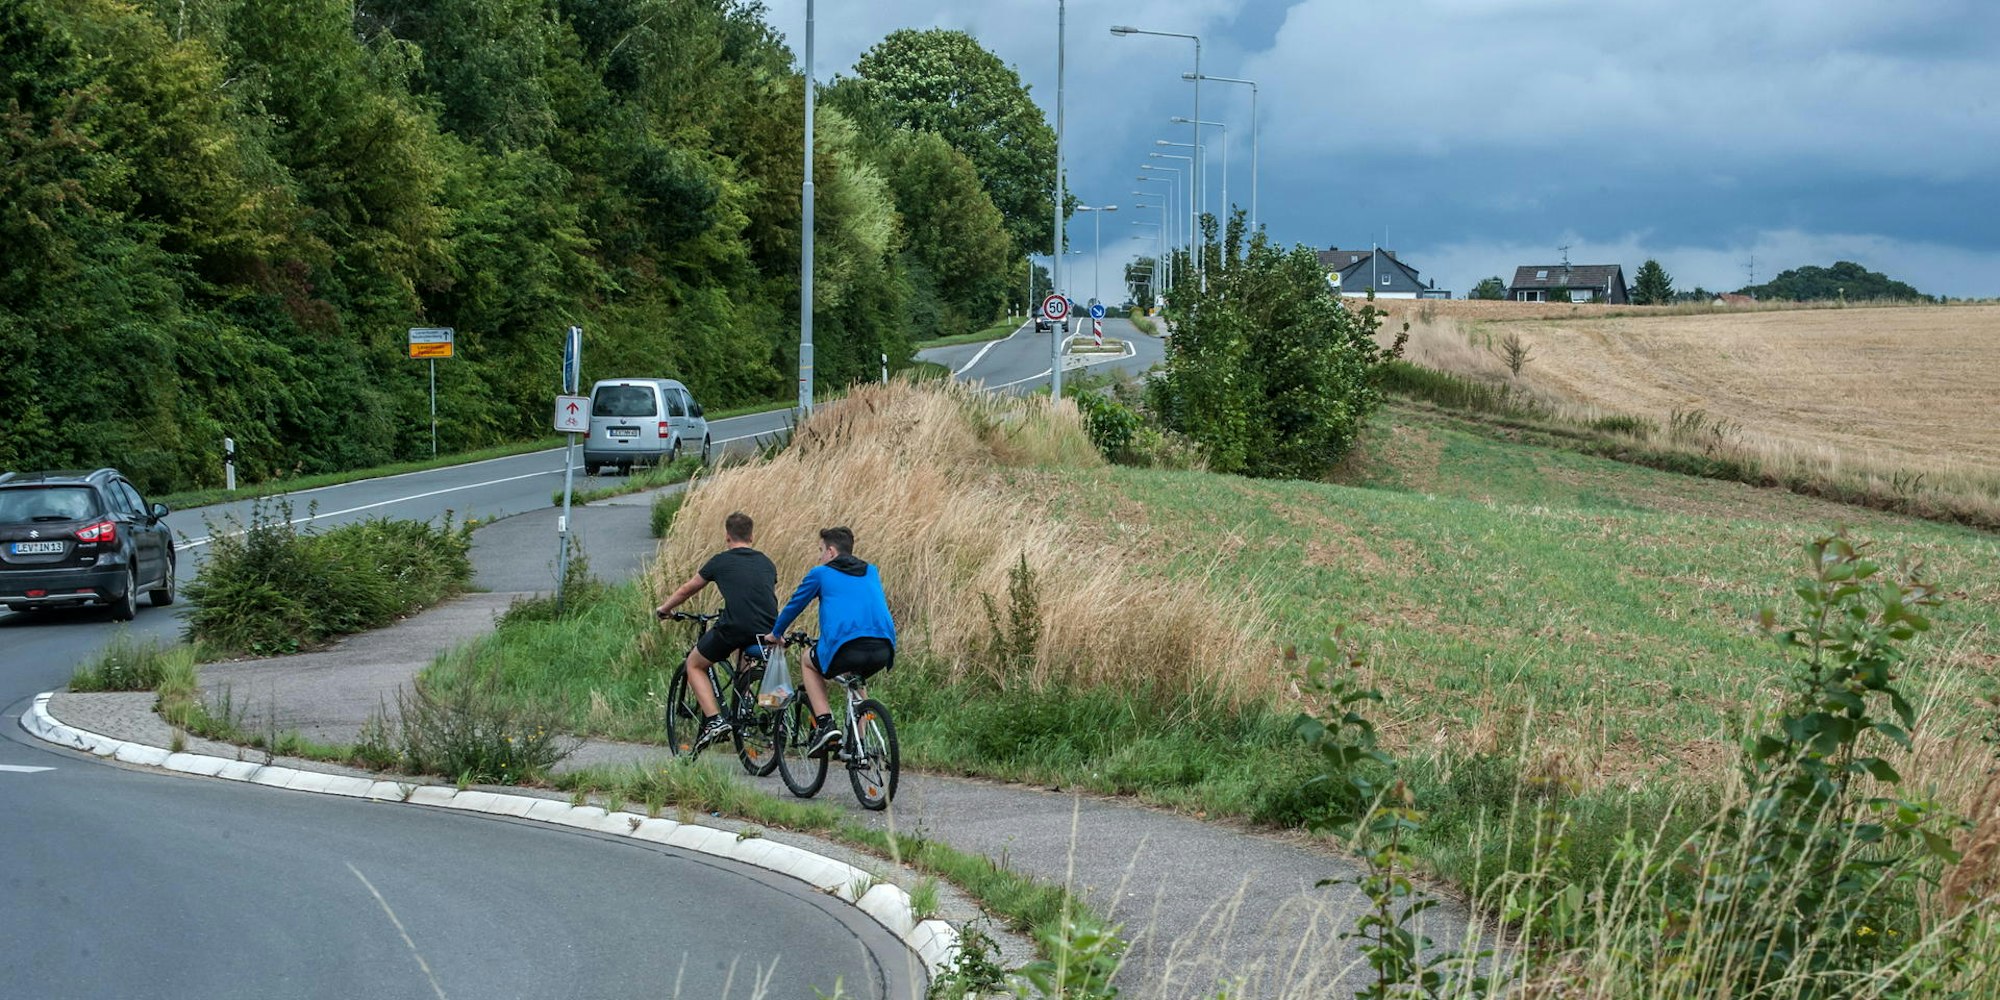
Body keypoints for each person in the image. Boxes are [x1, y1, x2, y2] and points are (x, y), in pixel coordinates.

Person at [763, 526, 896, 759]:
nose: (819, 556)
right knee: (855, 677)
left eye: (821, 550)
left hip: (847, 645)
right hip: (884, 647)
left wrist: (776, 634)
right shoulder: (871, 571)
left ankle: (825, 724)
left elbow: (795, 605)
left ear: (832, 552)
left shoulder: (820, 573)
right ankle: (858, 745)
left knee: (807, 661)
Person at [654, 512, 778, 751]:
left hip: (735, 626)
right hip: (768, 628)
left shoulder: (720, 561)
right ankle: (749, 705)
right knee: (745, 658)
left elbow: (686, 590)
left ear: (727, 536)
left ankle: (714, 721)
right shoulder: (766, 562)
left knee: (694, 664)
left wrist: (664, 609)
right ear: (752, 536)